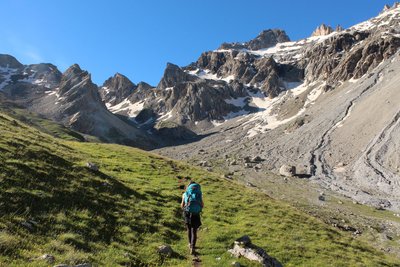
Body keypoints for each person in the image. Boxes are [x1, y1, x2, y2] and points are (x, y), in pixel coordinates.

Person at [181, 180, 204, 255]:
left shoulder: (185, 194)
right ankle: (192, 247)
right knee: (194, 231)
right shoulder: (198, 194)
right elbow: (202, 205)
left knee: (189, 229)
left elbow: (182, 205)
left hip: (187, 213)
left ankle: (189, 244)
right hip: (196, 214)